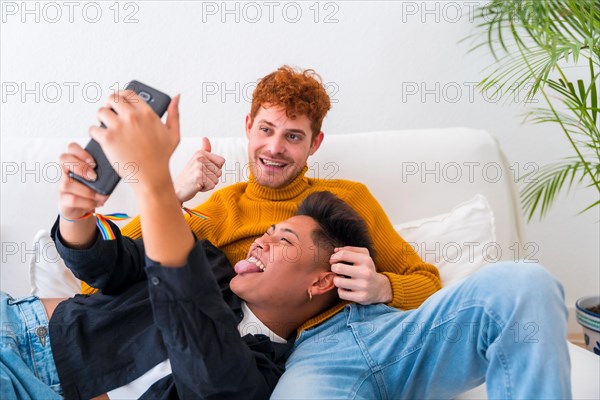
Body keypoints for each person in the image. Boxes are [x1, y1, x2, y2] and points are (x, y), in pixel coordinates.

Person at [66, 66, 571, 398]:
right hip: (283, 354)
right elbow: (112, 285)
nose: (275, 147)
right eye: (266, 129)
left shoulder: (346, 200)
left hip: (352, 332)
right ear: (247, 127)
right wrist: (172, 194)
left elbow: (428, 282)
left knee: (520, 286)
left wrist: (384, 287)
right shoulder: (220, 207)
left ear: (315, 143)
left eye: (293, 136)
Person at [1, 185, 374, 398]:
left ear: (321, 282)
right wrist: (75, 216)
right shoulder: (206, 261)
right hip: (20, 328)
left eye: (284, 240)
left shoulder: (270, 375)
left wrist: (381, 286)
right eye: (269, 231)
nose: (262, 241)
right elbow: (108, 264)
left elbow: (204, 363)